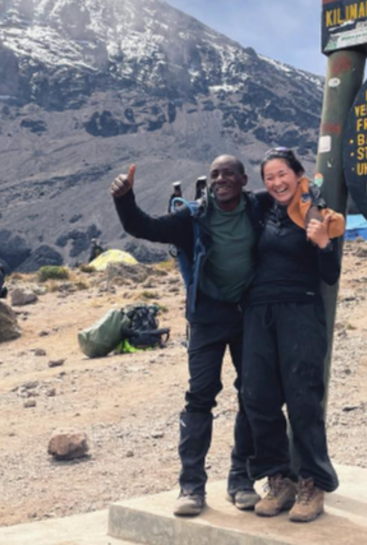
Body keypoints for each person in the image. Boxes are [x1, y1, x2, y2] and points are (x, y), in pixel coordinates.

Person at [111, 156, 265, 517]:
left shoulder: (258, 208)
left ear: (243, 180)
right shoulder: (192, 217)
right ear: (209, 182)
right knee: (199, 397)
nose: (221, 179)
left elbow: (292, 199)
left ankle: (241, 480)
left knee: (253, 394)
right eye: (215, 174)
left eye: (229, 173)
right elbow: (142, 227)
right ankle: (191, 487)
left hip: (248, 316)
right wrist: (124, 198)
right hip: (207, 319)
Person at [242, 147, 344, 524]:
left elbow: (329, 274)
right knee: (257, 396)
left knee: (303, 397)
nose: (276, 182)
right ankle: (279, 478)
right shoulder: (261, 209)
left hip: (300, 310)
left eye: (282, 174)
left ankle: (312, 483)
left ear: (298, 173)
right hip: (258, 312)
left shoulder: (315, 212)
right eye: (269, 177)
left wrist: (322, 243)